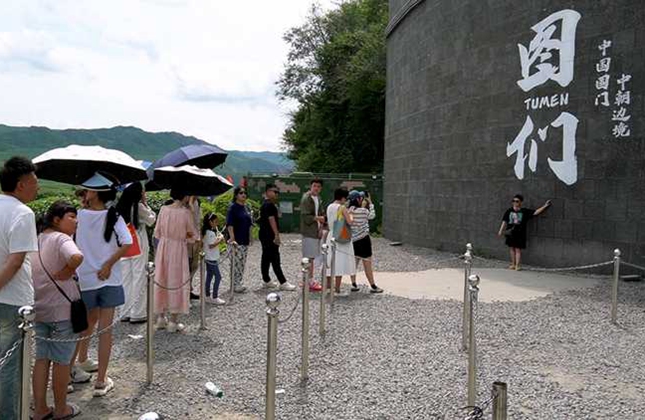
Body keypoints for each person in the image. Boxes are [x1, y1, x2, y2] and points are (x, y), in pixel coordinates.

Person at [73, 172, 132, 397]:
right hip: (109, 279)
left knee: (83, 325)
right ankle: (101, 380)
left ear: (95, 193)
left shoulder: (77, 216)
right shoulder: (114, 216)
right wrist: (108, 265)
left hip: (85, 279)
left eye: (88, 190)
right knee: (105, 330)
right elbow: (127, 242)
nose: (84, 193)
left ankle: (71, 371)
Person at [32, 201, 83, 420]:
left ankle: (40, 409)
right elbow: (77, 256)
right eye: (71, 217)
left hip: (39, 308)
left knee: (42, 358)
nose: (76, 221)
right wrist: (68, 270)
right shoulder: (62, 238)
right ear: (56, 220)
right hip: (62, 310)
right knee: (62, 361)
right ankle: (61, 409)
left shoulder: (37, 238)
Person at [0, 157, 39, 420]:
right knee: (10, 366)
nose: (37, 187)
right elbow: (15, 261)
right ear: (21, 184)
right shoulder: (23, 213)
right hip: (13, 299)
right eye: (34, 182)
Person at [153, 188, 197, 332]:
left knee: (162, 278)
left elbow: (157, 232)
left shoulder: (163, 209)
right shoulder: (185, 213)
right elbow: (192, 236)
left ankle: (160, 318)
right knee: (176, 281)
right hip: (178, 248)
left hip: (163, 247)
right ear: (185, 196)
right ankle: (173, 321)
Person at [116, 183, 156, 323]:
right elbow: (151, 220)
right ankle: (137, 313)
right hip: (137, 241)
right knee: (139, 276)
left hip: (124, 243)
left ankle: (124, 311)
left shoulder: (120, 206)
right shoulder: (139, 206)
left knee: (125, 278)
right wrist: (146, 205)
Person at [498, 194, 552, 270]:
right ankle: (513, 264)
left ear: (520, 202)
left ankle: (517, 265)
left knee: (518, 249)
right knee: (512, 249)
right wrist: (500, 230)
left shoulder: (524, 211)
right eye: (513, 201)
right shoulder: (509, 211)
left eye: (517, 201)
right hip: (511, 233)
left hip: (520, 233)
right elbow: (504, 221)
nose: (515, 202)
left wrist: (545, 205)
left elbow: (535, 212)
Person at [259, 185, 296, 291]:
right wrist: (276, 235)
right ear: (268, 192)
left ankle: (266, 280)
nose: (276, 194)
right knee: (275, 258)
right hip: (269, 234)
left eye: (277, 192)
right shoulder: (269, 205)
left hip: (264, 234)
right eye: (274, 192)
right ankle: (283, 282)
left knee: (266, 257)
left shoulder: (265, 204)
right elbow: (272, 220)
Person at [347, 191, 383, 294]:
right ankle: (373, 285)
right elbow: (372, 215)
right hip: (364, 240)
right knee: (367, 263)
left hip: (353, 240)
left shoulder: (348, 211)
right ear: (358, 199)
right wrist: (370, 203)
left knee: (354, 263)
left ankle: (353, 284)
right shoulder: (364, 211)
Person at [325, 188, 355, 296]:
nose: (346, 201)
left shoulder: (329, 206)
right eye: (345, 198)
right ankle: (337, 289)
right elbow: (350, 222)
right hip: (341, 236)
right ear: (342, 198)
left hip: (331, 235)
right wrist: (351, 214)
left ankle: (329, 287)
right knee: (339, 262)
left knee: (330, 261)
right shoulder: (342, 208)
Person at [226, 186, 253, 293]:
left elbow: (249, 223)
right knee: (236, 263)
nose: (243, 195)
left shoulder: (246, 207)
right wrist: (232, 237)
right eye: (241, 193)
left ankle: (239, 282)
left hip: (244, 239)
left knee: (242, 262)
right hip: (236, 240)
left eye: (245, 193)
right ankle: (234, 283)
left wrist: (250, 236)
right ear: (236, 195)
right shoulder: (233, 208)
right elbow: (230, 224)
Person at [300, 178, 325, 292]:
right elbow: (306, 216)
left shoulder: (318, 198)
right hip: (308, 231)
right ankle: (309, 281)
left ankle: (307, 279)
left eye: (318, 186)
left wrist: (321, 227)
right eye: (314, 186)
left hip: (315, 230)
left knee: (311, 257)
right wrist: (318, 219)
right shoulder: (306, 198)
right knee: (309, 257)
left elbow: (321, 213)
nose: (316, 188)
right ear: (311, 186)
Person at [201, 213, 225, 305]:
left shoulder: (208, 231)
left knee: (209, 276)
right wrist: (220, 238)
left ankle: (207, 295)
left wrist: (218, 238)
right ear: (210, 222)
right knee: (218, 277)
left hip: (209, 257)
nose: (217, 223)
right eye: (215, 222)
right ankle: (215, 297)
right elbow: (211, 245)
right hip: (211, 258)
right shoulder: (209, 233)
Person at [187, 196, 202, 300]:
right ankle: (185, 292)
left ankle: (189, 288)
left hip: (196, 238)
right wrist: (191, 203)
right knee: (187, 265)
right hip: (188, 240)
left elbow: (198, 221)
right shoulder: (186, 203)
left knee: (194, 265)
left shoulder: (198, 202)